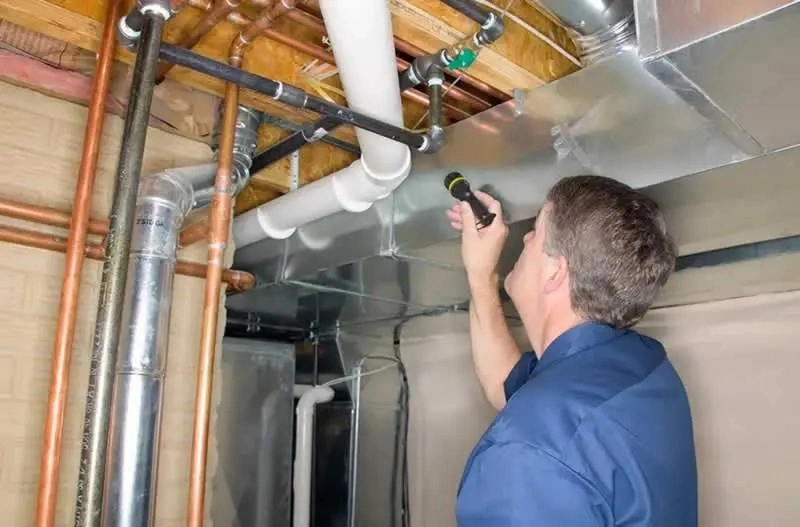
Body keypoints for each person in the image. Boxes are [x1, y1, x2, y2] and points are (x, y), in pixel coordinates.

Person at [447, 175, 697, 526]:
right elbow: (508, 388)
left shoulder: (526, 455)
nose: (525, 238)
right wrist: (481, 273)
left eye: (535, 230)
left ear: (555, 270)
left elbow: (540, 428)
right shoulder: (645, 367)